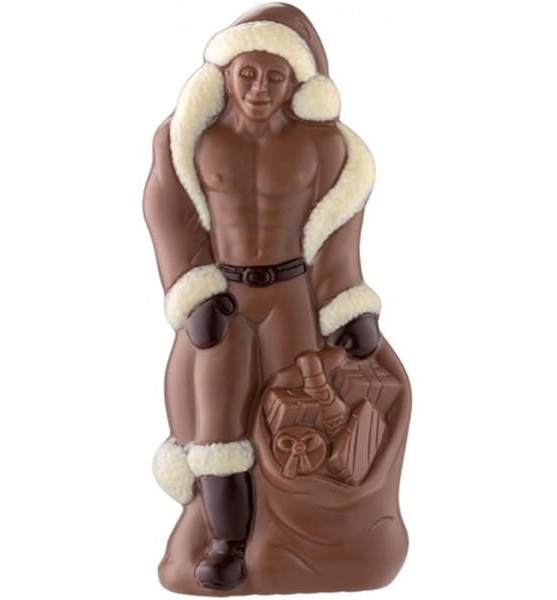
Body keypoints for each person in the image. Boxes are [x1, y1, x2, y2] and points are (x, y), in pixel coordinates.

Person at [144, 4, 384, 591]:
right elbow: (168, 214)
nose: (259, 88)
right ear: (225, 72)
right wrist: (192, 290)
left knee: (298, 407)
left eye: (275, 76)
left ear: (296, 81)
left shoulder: (324, 148)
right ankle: (225, 542)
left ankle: (292, 530)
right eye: (247, 73)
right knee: (217, 419)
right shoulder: (191, 142)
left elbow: (336, 231)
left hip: (290, 294)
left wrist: (348, 304)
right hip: (226, 295)